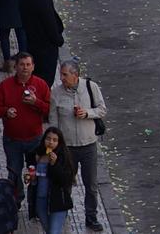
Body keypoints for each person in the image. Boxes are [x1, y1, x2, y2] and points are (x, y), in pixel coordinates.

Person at [49, 61, 106, 231]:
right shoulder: (56, 93)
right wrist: (55, 145)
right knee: (65, 182)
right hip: (68, 148)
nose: (62, 78)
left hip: (88, 145)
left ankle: (91, 216)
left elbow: (102, 110)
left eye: (65, 75)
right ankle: (63, 212)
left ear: (75, 75)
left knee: (91, 184)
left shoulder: (91, 87)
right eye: (61, 74)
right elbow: (53, 121)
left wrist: (87, 113)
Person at [0, 52, 50, 197]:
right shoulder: (5, 85)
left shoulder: (41, 85)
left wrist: (36, 102)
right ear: (15, 67)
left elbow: (51, 109)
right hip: (12, 139)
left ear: (33, 67)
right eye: (22, 65)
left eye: (28, 65)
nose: (25, 68)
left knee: (36, 172)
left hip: (35, 139)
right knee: (14, 173)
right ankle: (15, 202)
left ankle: (34, 201)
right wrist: (5, 111)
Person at [25, 126, 76, 234]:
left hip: (57, 201)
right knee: (49, 230)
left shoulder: (62, 157)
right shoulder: (36, 155)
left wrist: (54, 165)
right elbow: (33, 178)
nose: (50, 142)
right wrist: (30, 178)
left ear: (59, 142)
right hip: (40, 200)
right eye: (48, 139)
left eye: (54, 140)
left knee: (53, 232)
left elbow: (65, 180)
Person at [19, 0, 65, 86]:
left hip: (31, 44)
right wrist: (59, 40)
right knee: (45, 81)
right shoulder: (44, 1)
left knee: (35, 78)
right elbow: (51, 25)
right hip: (46, 48)